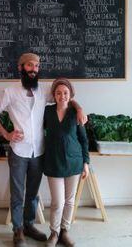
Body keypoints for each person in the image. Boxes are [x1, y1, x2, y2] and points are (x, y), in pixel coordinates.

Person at [0, 53, 87, 247]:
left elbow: (64, 96)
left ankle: (29, 225)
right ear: (21, 67)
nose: (34, 69)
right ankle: (18, 231)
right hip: (18, 151)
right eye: (30, 65)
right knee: (18, 193)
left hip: (39, 151)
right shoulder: (9, 92)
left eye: (37, 66)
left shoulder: (43, 90)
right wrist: (6, 134)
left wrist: (79, 108)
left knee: (33, 192)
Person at [44, 78, 90, 247]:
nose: (62, 96)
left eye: (65, 93)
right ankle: (54, 233)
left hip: (74, 162)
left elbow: (84, 140)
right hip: (53, 161)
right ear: (54, 95)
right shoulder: (47, 112)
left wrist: (86, 162)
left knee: (70, 201)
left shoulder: (75, 113)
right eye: (58, 93)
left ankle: (65, 231)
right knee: (58, 202)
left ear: (70, 95)